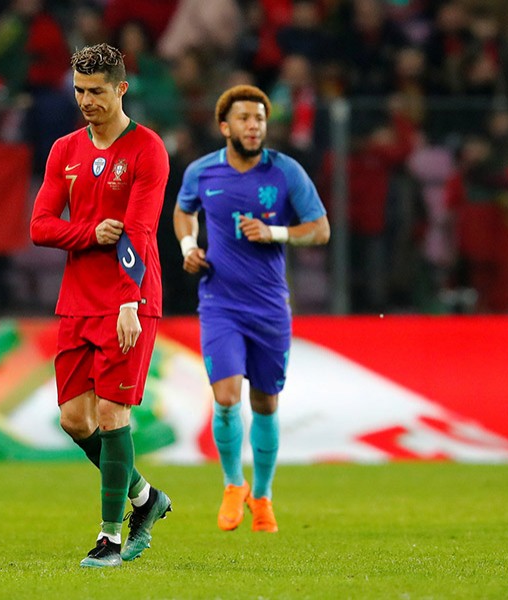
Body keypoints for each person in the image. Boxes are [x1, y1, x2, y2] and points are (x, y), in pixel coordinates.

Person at [29, 43, 172, 568]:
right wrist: (89, 232)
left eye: (95, 91)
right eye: (79, 90)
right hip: (77, 301)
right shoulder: (64, 150)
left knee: (112, 412)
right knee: (74, 420)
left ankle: (111, 537)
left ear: (121, 89)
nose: (86, 100)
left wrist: (130, 301)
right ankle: (145, 498)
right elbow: (40, 226)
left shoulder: (147, 149)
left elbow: (138, 229)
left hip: (127, 299)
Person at [173, 84, 329, 534]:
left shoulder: (286, 172)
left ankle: (262, 496)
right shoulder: (202, 172)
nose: (254, 126)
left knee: (265, 403)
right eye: (244, 119)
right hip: (220, 302)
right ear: (225, 126)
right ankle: (231, 484)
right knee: (224, 399)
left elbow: (320, 230)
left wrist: (275, 233)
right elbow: (184, 212)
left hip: (269, 307)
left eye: (260, 119)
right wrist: (188, 245)